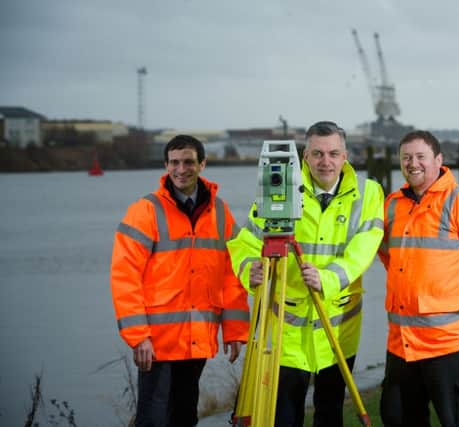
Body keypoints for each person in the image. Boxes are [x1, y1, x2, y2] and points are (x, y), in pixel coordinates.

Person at [226, 121, 384, 427]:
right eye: (318, 154)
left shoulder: (368, 193)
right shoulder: (281, 187)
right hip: (286, 332)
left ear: (345, 155)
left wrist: (327, 279)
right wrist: (250, 269)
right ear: (305, 156)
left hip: (337, 329)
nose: (326, 161)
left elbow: (364, 249)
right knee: (284, 415)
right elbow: (245, 241)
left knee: (330, 413)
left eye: (334, 153)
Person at [110, 135, 250, 427]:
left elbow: (232, 273)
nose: (181, 169)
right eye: (174, 162)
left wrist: (235, 330)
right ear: (165, 165)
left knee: (185, 415)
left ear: (202, 164)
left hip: (196, 337)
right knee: (153, 419)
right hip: (156, 343)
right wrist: (138, 337)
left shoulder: (219, 212)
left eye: (188, 162)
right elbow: (125, 276)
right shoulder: (145, 211)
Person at [378, 130, 459, 427]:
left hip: (450, 344)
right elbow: (389, 256)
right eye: (406, 158)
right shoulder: (391, 205)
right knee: (397, 418)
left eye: (420, 156)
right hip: (401, 346)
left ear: (438, 160)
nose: (413, 163)